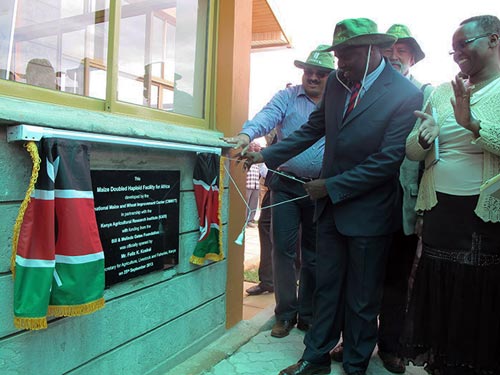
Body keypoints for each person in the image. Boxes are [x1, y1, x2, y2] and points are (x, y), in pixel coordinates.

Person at [244, 18, 423, 375]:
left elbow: (388, 160)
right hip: (329, 211)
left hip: (369, 213)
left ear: (372, 50)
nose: (338, 64)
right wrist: (265, 155)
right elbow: (312, 129)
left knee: (361, 297)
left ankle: (355, 364)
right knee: (326, 287)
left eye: (346, 55)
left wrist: (331, 186)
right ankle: (315, 358)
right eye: (337, 55)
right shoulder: (339, 85)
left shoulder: (405, 93)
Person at [330, 23, 434, 374]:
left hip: (405, 204)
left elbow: (430, 156)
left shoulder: (425, 94)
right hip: (368, 201)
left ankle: (390, 347)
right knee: (360, 281)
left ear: (412, 58)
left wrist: (422, 209)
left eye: (402, 51)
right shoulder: (363, 88)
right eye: (392, 50)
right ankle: (353, 341)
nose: (396, 55)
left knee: (394, 280)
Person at [402, 15, 500, 375]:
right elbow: (412, 149)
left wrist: (472, 124)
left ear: (493, 40)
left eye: (465, 44)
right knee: (438, 282)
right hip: (439, 206)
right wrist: (425, 137)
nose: (457, 53)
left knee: (473, 290)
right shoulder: (442, 91)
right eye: (453, 47)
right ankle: (442, 362)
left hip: (483, 213)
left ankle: (472, 365)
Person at [222, 45, 335, 337]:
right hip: (284, 185)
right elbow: (266, 117)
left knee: (313, 255)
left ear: (329, 76)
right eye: (308, 71)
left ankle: (307, 314)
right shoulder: (286, 97)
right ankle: (285, 313)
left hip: (319, 189)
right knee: (282, 250)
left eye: (320, 73)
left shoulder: (337, 101)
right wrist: (247, 134)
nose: (312, 77)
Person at [245, 142, 264, 227]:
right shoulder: (245, 156)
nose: (252, 146)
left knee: (253, 203)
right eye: (251, 145)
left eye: (253, 145)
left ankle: (250, 220)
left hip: (256, 184)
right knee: (246, 203)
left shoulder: (257, 158)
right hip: (248, 184)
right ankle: (244, 220)